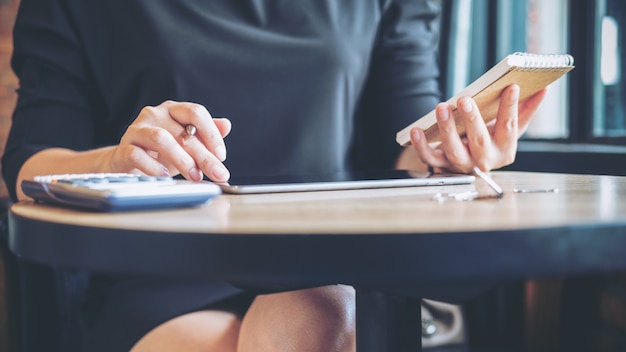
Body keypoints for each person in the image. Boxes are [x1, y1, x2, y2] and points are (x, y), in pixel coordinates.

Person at [2, 0, 547, 351]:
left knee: (317, 304)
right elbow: (28, 162)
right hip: (163, 272)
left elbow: (403, 150)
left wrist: (451, 154)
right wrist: (116, 162)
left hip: (331, 264)